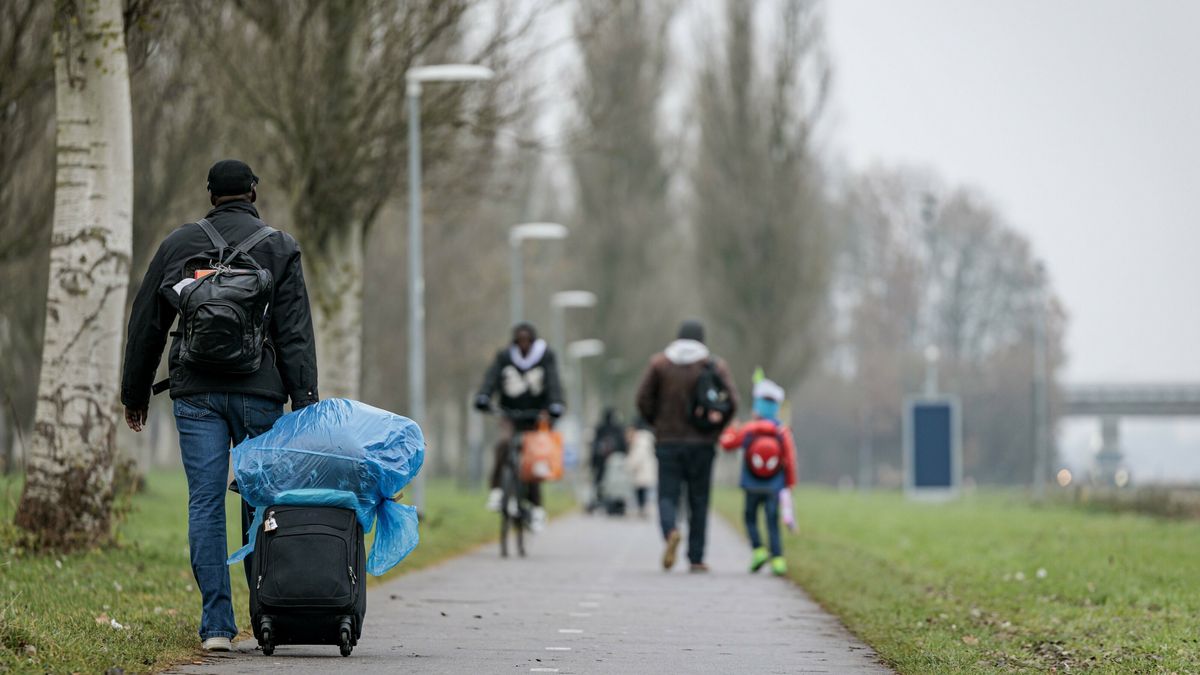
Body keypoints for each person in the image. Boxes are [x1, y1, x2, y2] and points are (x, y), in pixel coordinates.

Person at [120, 160, 319, 652]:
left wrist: (135, 393)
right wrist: (304, 400)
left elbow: (146, 322)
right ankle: (267, 614)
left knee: (205, 502)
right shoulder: (280, 246)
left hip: (196, 393)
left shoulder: (179, 244)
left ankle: (215, 626)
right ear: (254, 193)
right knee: (260, 502)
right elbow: (294, 330)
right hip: (261, 393)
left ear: (210, 195)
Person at [635, 319, 738, 572]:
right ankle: (696, 557)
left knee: (667, 495)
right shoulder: (714, 365)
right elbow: (732, 402)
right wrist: (715, 429)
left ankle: (670, 530)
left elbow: (642, 399)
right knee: (699, 500)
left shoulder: (659, 364)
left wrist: (656, 423)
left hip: (668, 442)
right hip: (703, 445)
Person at [473, 323, 564, 532]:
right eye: (520, 341)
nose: (523, 345)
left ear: (533, 342)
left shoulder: (545, 356)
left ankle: (536, 506)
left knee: (533, 459)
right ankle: (498, 490)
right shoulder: (505, 357)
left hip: (536, 415)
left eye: (527, 341)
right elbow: (492, 378)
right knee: (504, 444)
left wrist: (555, 404)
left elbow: (553, 382)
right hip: (510, 413)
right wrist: (484, 396)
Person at [719, 377, 797, 576]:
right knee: (772, 521)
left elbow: (727, 444)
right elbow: (790, 459)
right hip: (774, 485)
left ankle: (758, 550)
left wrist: (730, 428)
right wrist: (789, 484)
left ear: (757, 408)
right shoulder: (782, 431)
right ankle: (778, 560)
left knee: (750, 518)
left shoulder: (748, 429)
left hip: (751, 484)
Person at [590, 407, 627, 511]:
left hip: (602, 462)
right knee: (614, 485)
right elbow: (623, 446)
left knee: (602, 483)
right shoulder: (618, 429)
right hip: (614, 463)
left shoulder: (600, 429)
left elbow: (595, 446)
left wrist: (593, 463)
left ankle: (602, 501)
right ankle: (614, 503)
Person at [625, 418, 658, 518]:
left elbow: (638, 456)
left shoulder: (641, 440)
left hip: (642, 471)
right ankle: (644, 509)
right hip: (645, 470)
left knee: (643, 491)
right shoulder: (646, 438)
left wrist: (630, 464)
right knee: (644, 491)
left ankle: (644, 510)